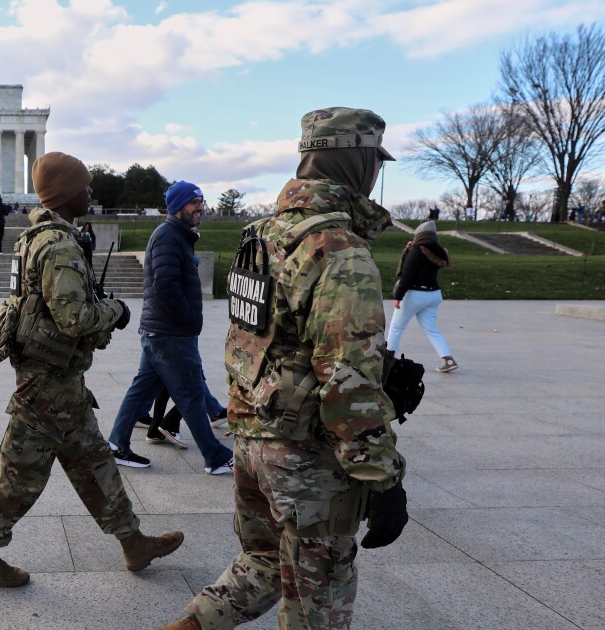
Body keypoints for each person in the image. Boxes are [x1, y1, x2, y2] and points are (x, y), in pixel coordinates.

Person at [160, 108, 409, 630]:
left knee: (263, 562)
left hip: (252, 438)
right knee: (319, 596)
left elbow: (251, 340)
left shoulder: (260, 234)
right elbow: (347, 379)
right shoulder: (339, 249)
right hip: (305, 457)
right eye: (374, 161)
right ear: (358, 162)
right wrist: (382, 476)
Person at [0, 151, 184, 588]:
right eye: (84, 185)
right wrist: (116, 310)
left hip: (61, 382)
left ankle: (132, 541)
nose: (90, 191)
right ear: (66, 193)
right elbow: (73, 319)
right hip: (46, 387)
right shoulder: (59, 245)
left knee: (95, 462)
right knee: (22, 474)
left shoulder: (34, 237)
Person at [107, 181, 234, 474]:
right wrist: (187, 318)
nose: (200, 207)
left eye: (201, 201)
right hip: (171, 333)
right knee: (192, 394)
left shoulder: (176, 235)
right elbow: (165, 285)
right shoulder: (168, 236)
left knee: (141, 392)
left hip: (160, 330)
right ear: (177, 207)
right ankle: (215, 458)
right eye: (194, 202)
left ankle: (116, 444)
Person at [388, 221, 457, 373]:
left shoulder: (416, 250)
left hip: (415, 294)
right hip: (433, 295)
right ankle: (448, 359)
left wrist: (398, 296)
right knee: (432, 330)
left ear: (419, 235)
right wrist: (410, 249)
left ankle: (387, 361)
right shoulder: (439, 250)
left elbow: (407, 275)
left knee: (396, 328)